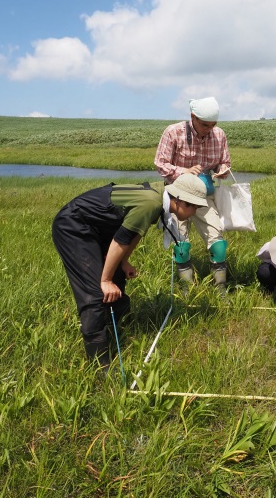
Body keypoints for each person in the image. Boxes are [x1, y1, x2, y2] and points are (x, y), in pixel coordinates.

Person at [52, 174, 208, 367]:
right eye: (193, 206)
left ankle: (115, 328)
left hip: (96, 229)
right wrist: (105, 280)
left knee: (118, 277)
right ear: (178, 199)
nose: (194, 212)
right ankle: (99, 365)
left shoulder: (160, 195)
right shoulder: (151, 203)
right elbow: (120, 240)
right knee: (95, 292)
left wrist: (123, 262)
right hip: (74, 226)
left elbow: (134, 232)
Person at [154, 97, 232, 293]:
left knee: (218, 243)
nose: (209, 129)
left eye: (213, 125)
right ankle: (185, 290)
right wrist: (184, 172)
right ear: (193, 117)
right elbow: (160, 163)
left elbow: (224, 162)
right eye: (205, 125)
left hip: (205, 195)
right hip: (178, 196)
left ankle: (220, 290)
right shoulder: (173, 132)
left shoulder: (219, 135)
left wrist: (222, 170)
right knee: (181, 244)